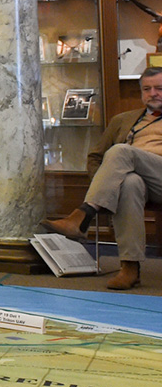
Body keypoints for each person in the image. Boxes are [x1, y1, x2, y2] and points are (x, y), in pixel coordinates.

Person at [40, 66, 162, 289]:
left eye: (159, 88)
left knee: (119, 151)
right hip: (141, 182)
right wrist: (108, 184)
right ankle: (130, 268)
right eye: (147, 89)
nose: (153, 93)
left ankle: (83, 215)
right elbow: (95, 156)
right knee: (130, 184)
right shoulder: (124, 120)